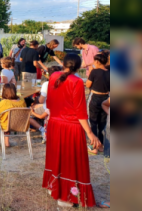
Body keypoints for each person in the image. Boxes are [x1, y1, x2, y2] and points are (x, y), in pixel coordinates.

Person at [42, 54, 105, 208]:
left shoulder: (53, 76)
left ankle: (54, 188)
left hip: (54, 123)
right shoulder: (77, 81)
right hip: (70, 126)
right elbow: (80, 112)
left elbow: (49, 102)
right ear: (78, 67)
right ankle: (66, 197)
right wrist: (90, 133)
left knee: (57, 157)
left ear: (63, 63)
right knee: (71, 161)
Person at [86, 53, 110, 157]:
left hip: (95, 97)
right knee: (102, 123)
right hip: (106, 98)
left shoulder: (94, 71)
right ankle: (101, 145)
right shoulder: (110, 72)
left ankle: (93, 146)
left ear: (96, 62)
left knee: (93, 121)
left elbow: (88, 85)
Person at [0, 83, 28, 148]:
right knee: (7, 118)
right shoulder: (22, 100)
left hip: (7, 125)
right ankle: (6, 142)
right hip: (21, 124)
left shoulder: (4, 102)